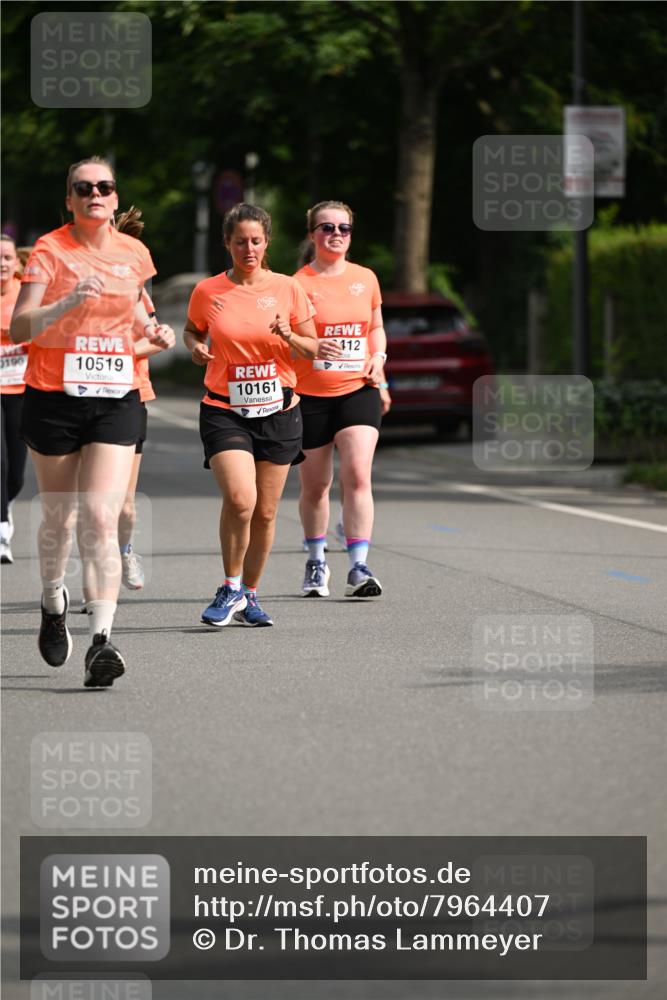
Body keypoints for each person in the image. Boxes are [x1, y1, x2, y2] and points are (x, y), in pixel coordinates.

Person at [9, 156, 173, 686]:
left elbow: (140, 317)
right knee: (60, 519)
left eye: (104, 186)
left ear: (115, 198)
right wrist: (64, 305)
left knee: (101, 518)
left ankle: (102, 640)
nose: (95, 194)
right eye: (84, 188)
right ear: (70, 200)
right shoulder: (50, 251)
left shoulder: (135, 254)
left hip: (115, 397)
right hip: (54, 396)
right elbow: (18, 327)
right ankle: (53, 598)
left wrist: (157, 332)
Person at [184, 202, 318, 628]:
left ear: (267, 243)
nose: (248, 248)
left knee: (265, 511)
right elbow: (192, 328)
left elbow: (313, 348)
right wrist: (194, 346)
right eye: (240, 241)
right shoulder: (208, 291)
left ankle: (250, 596)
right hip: (225, 409)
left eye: (256, 241)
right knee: (241, 500)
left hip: (279, 410)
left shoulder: (288, 288)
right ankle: (229, 585)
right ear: (227, 243)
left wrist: (289, 334)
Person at [294, 200, 388, 598]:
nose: (336, 234)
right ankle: (317, 561)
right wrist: (313, 349)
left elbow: (376, 327)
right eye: (327, 228)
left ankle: (358, 566)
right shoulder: (296, 284)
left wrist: (379, 360)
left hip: (357, 390)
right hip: (310, 395)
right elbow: (287, 342)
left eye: (344, 228)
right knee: (316, 486)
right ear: (312, 234)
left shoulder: (365, 278)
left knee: (358, 474)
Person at [1, 234, 28, 563]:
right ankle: (2, 528)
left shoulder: (27, 295)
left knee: (17, 473)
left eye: (6, 257)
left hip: (21, 390)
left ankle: (5, 504)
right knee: (0, 461)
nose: (1, 264)